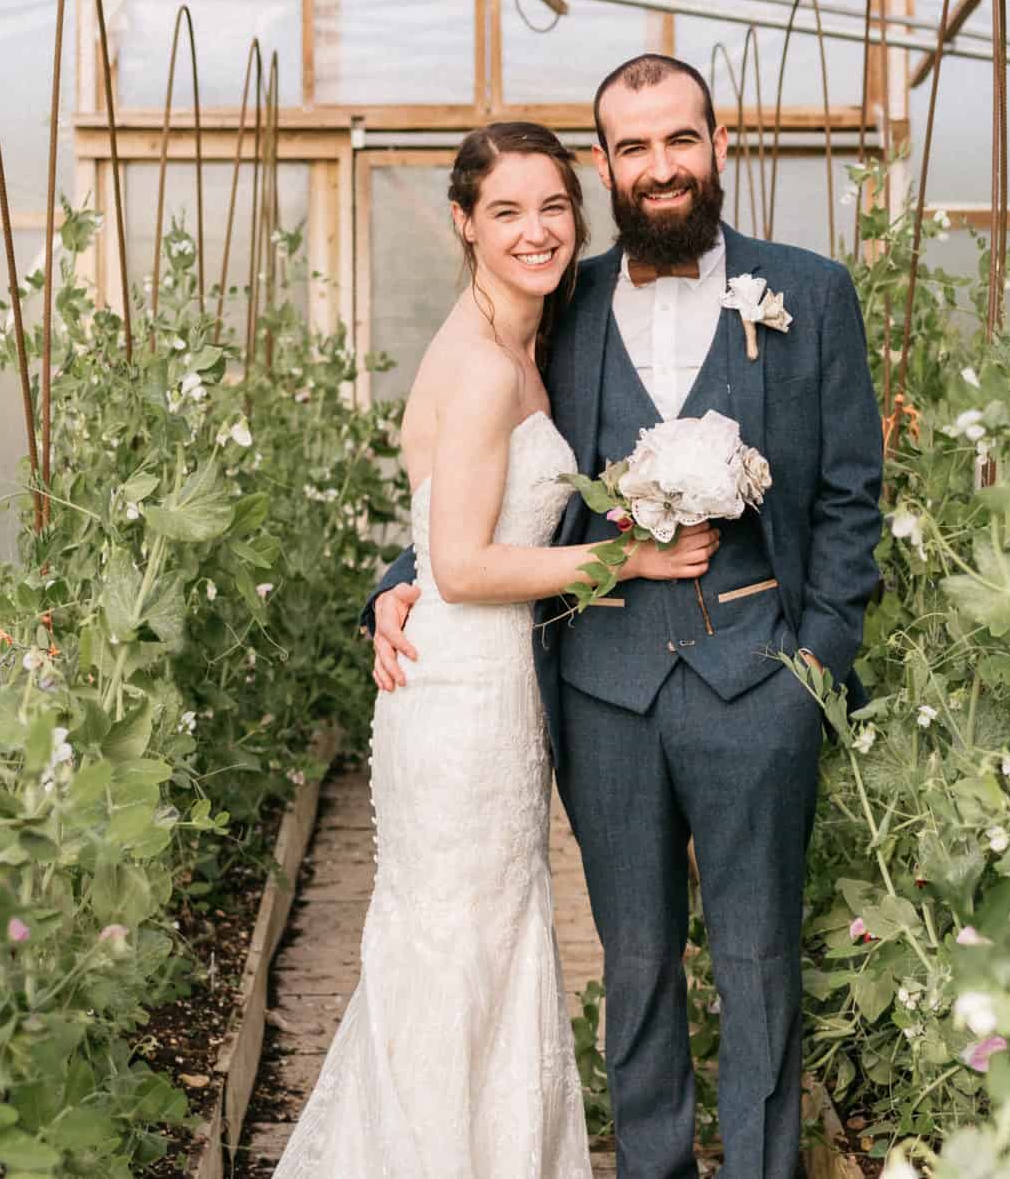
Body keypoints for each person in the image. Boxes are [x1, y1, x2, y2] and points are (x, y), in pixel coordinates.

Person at [367, 59, 884, 1179]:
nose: (659, 168)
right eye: (633, 148)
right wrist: (400, 579)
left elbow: (851, 496)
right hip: (603, 688)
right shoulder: (565, 300)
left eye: (679, 140)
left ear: (718, 143)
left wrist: (816, 669)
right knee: (636, 962)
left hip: (759, 682)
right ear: (606, 165)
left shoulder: (811, 291)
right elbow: (493, 475)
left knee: (759, 963)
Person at [275, 120, 717, 1179]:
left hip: (494, 684)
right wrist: (628, 562)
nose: (536, 231)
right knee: (452, 948)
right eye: (506, 210)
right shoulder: (479, 365)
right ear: (463, 224)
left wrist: (401, 583)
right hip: (460, 698)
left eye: (554, 206)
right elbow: (465, 564)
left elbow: (441, 536)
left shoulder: (530, 336)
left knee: (489, 940)